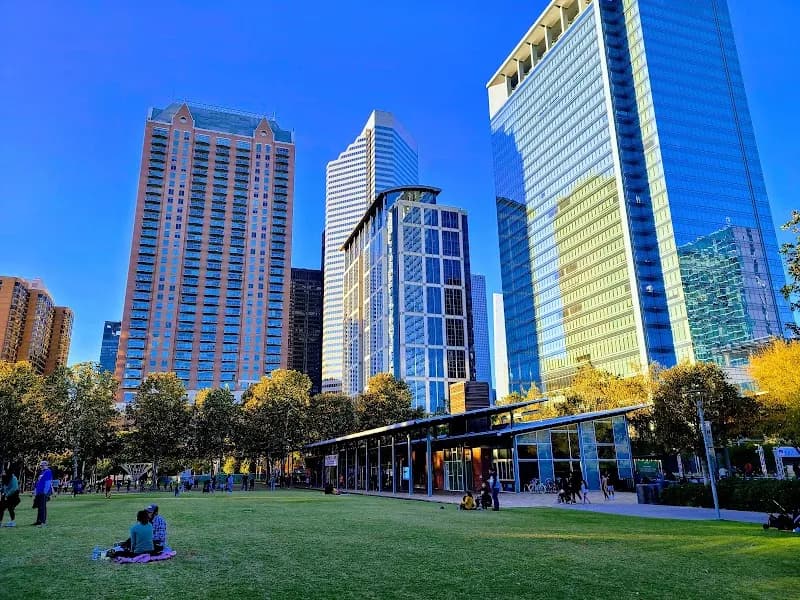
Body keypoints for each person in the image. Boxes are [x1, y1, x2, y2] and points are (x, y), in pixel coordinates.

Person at [32, 460, 53, 526]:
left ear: (45, 465)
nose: (41, 466)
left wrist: (45, 492)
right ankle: (39, 521)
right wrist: (35, 490)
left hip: (43, 492)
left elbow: (48, 483)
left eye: (42, 465)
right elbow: (39, 482)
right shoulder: (42, 472)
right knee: (39, 507)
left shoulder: (48, 472)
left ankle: (43, 522)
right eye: (40, 465)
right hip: (39, 492)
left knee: (42, 507)